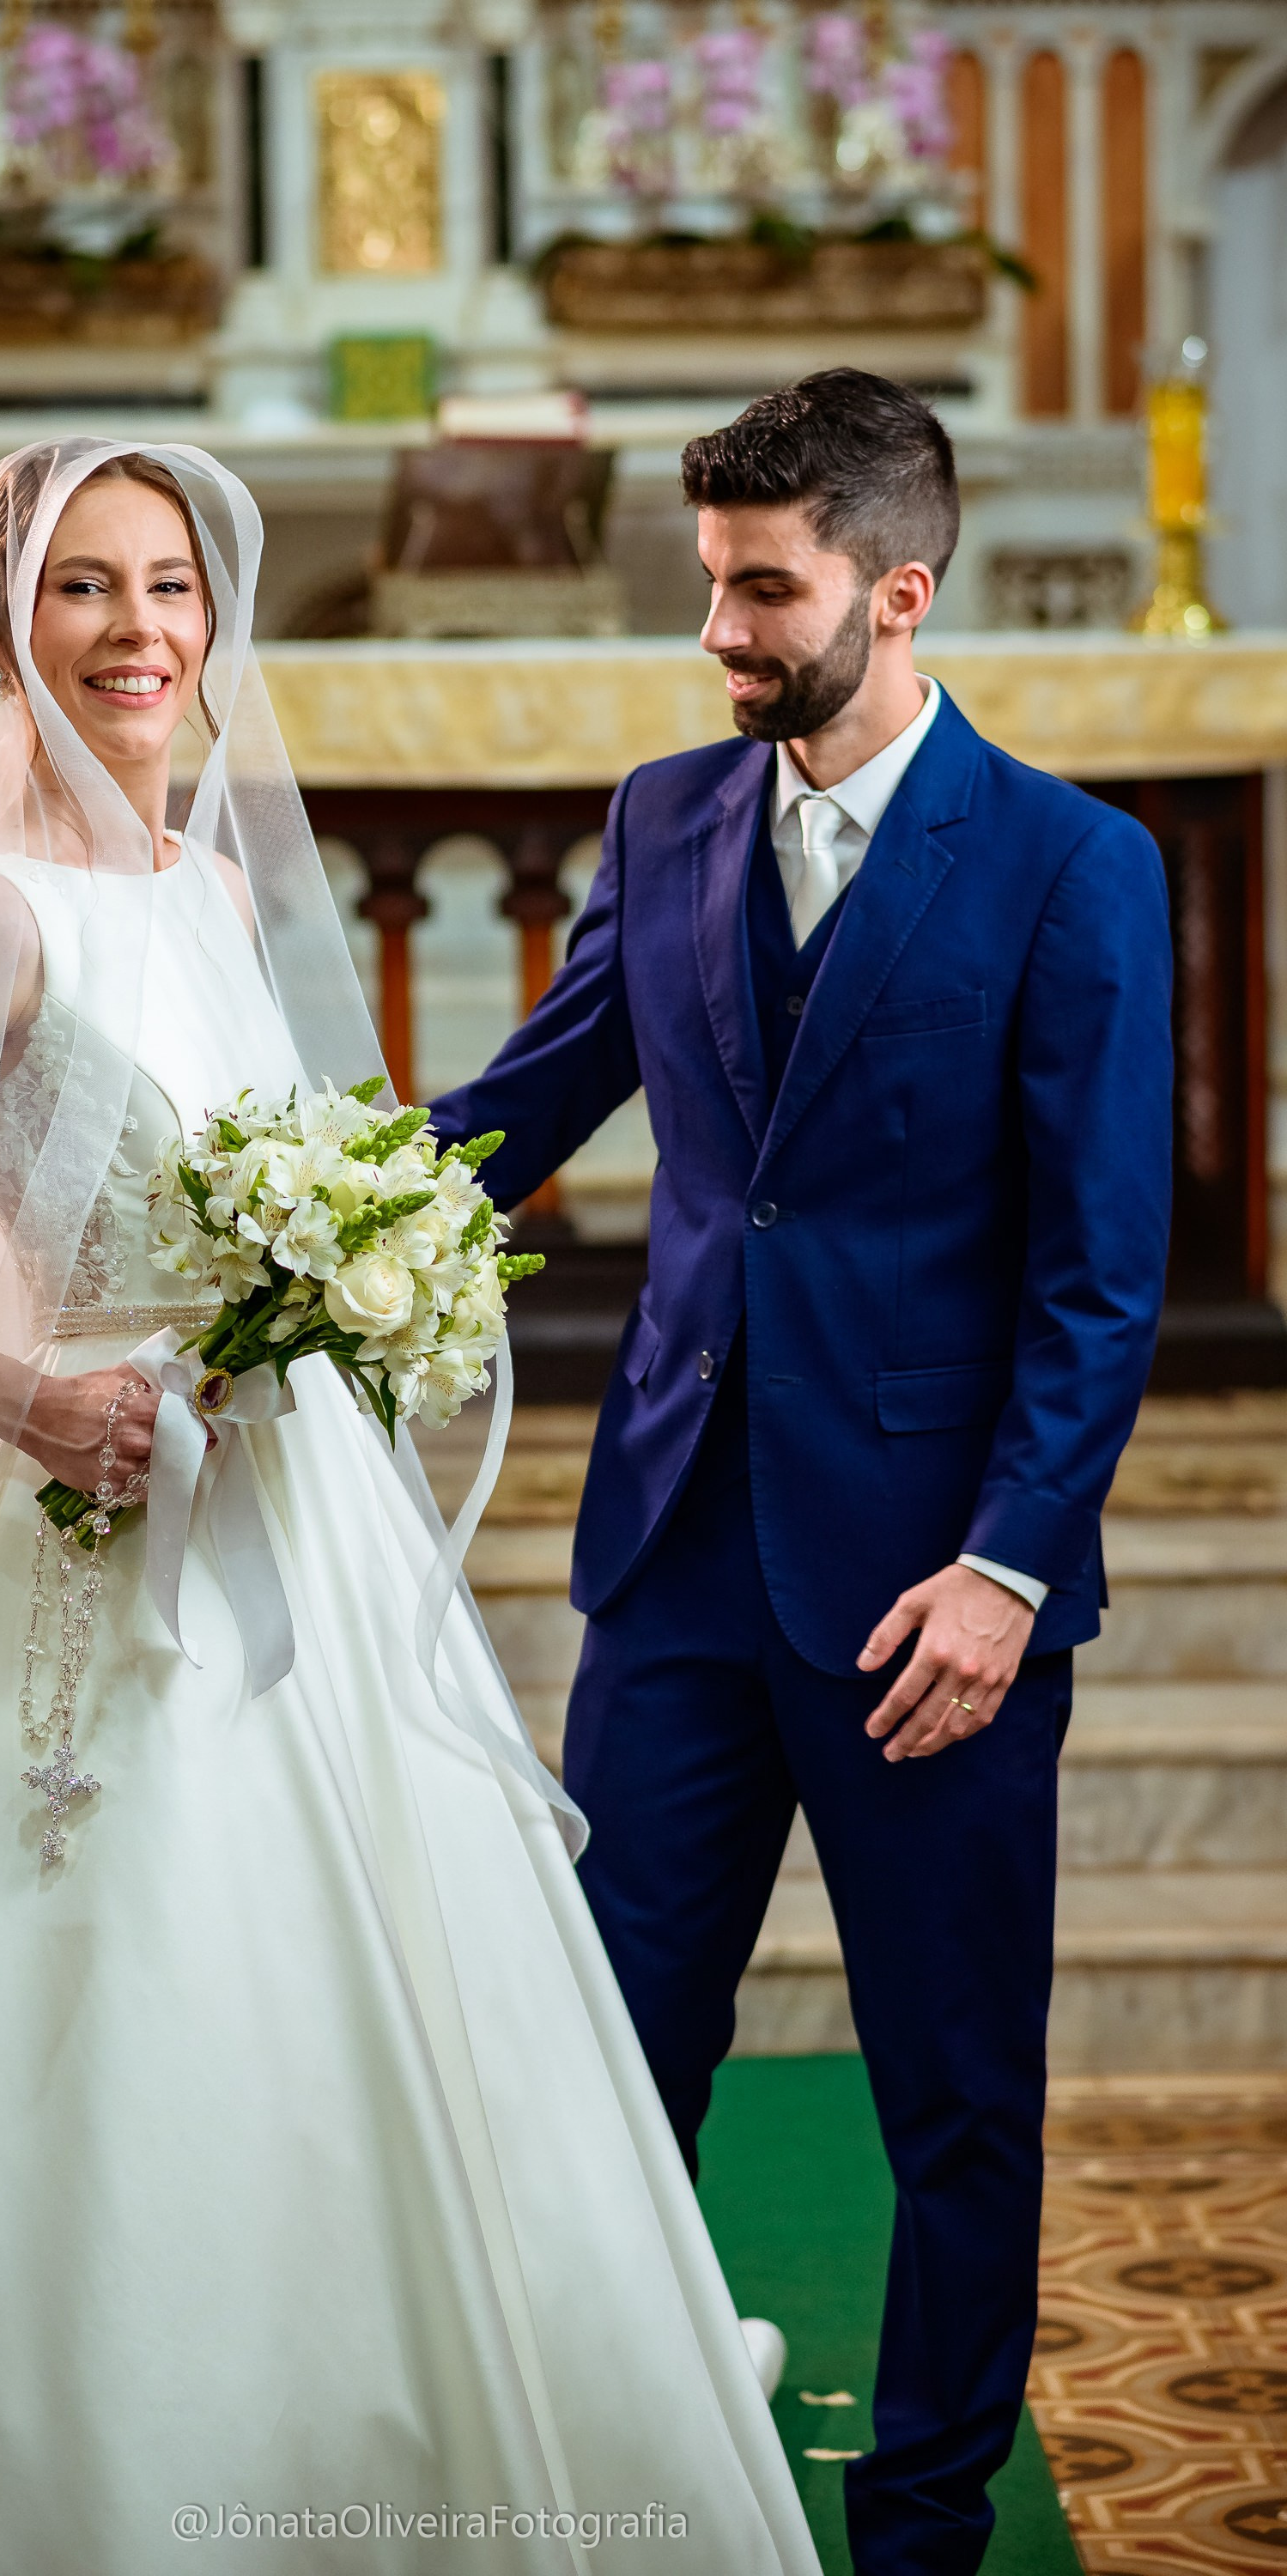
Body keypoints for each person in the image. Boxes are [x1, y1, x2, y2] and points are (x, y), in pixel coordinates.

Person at [0, 441, 820, 2576]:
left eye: (168, 587)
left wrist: (369, 1291)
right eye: (82, 590)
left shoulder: (210, 885)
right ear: (4, 636)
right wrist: (30, 1403)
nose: (138, 630)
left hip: (288, 1530)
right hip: (83, 1544)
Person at [429, 370, 1174, 2576]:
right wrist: (288, 1240)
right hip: (666, 1563)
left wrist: (1008, 1572)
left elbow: (1099, 1276)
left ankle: (924, 2522)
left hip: (925, 1600)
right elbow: (525, 1107)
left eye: (766, 592)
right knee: (608, 2057)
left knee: (951, 2096)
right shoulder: (662, 817)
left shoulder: (1070, 868)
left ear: (897, 590)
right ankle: (601, 2475)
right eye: (713, 589)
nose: (722, 635)